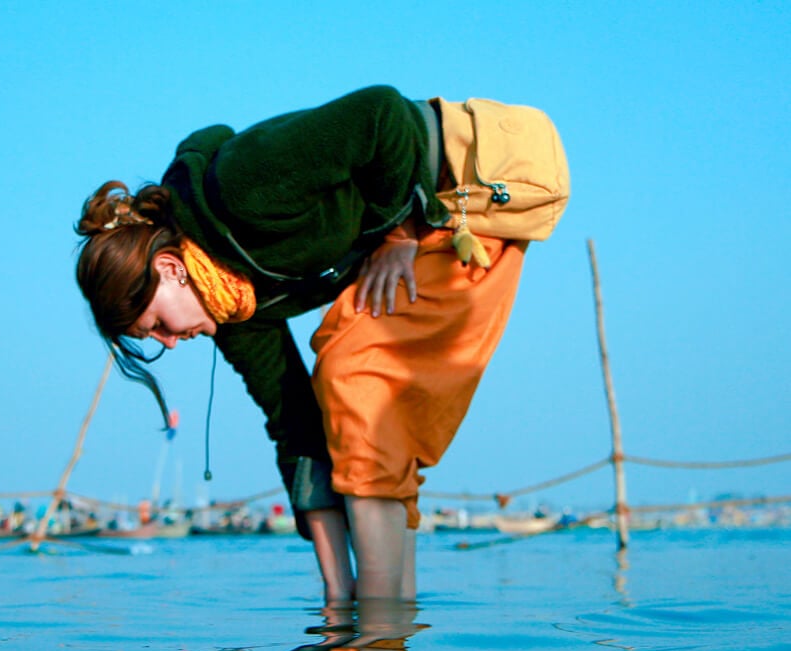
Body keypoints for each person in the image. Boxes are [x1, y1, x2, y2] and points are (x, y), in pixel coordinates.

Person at [75, 85, 556, 603]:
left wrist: (397, 238)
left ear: (169, 269)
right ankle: (370, 623)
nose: (171, 344)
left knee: (355, 379)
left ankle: (378, 644)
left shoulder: (241, 185)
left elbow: (381, 114)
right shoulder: (236, 314)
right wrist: (333, 592)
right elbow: (295, 426)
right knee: (366, 419)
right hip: (428, 220)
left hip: (476, 185)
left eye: (158, 324)